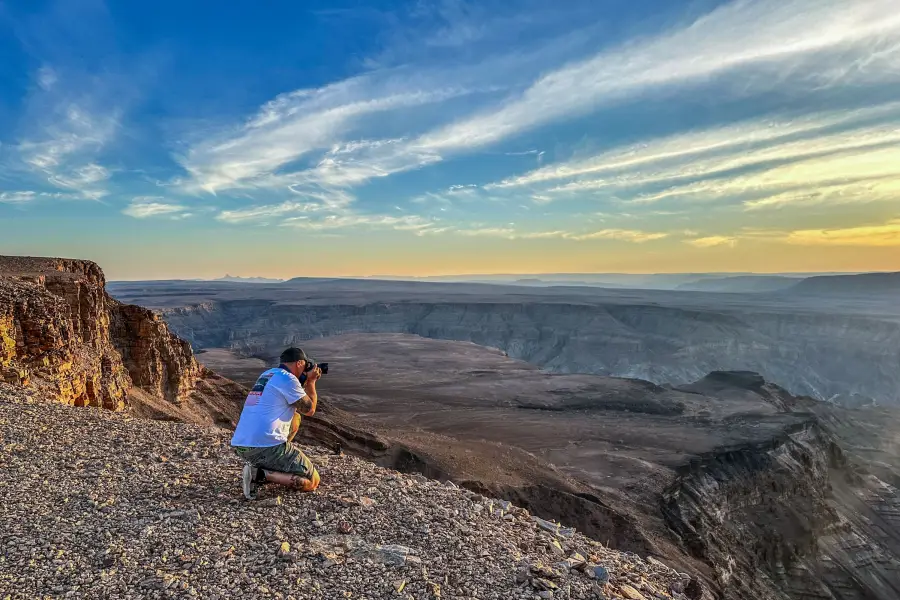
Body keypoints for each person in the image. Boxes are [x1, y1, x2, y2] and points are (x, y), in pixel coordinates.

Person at [231, 347, 322, 500]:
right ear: (299, 363)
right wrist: (311, 382)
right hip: (264, 447)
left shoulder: (267, 374)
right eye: (305, 365)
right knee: (312, 481)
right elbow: (310, 409)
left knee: (295, 418)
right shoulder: (288, 379)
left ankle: (268, 465)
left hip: (241, 445)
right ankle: (260, 474)